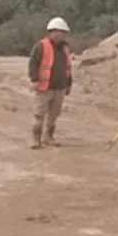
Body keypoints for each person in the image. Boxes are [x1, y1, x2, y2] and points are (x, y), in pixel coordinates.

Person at [27, 17, 73, 149]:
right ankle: (36, 139)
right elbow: (33, 64)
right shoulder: (41, 46)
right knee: (39, 114)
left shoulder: (65, 48)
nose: (61, 36)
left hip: (60, 87)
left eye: (63, 33)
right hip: (44, 87)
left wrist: (69, 84)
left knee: (54, 114)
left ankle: (48, 137)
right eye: (59, 32)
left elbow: (68, 67)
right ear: (51, 32)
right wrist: (34, 80)